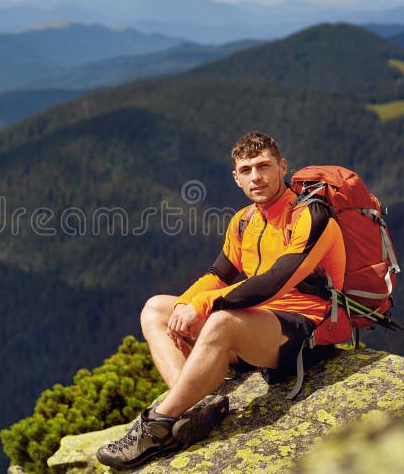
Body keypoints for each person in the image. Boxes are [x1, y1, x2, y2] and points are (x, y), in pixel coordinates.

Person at [97, 131, 346, 470]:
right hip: (257, 326)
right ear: (236, 178)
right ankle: (194, 409)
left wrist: (203, 306)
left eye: (263, 166)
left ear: (282, 167)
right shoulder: (244, 221)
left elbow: (276, 282)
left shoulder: (312, 216)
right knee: (156, 309)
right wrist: (184, 306)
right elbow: (218, 274)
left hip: (306, 333)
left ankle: (157, 426)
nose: (256, 177)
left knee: (220, 319)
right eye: (246, 170)